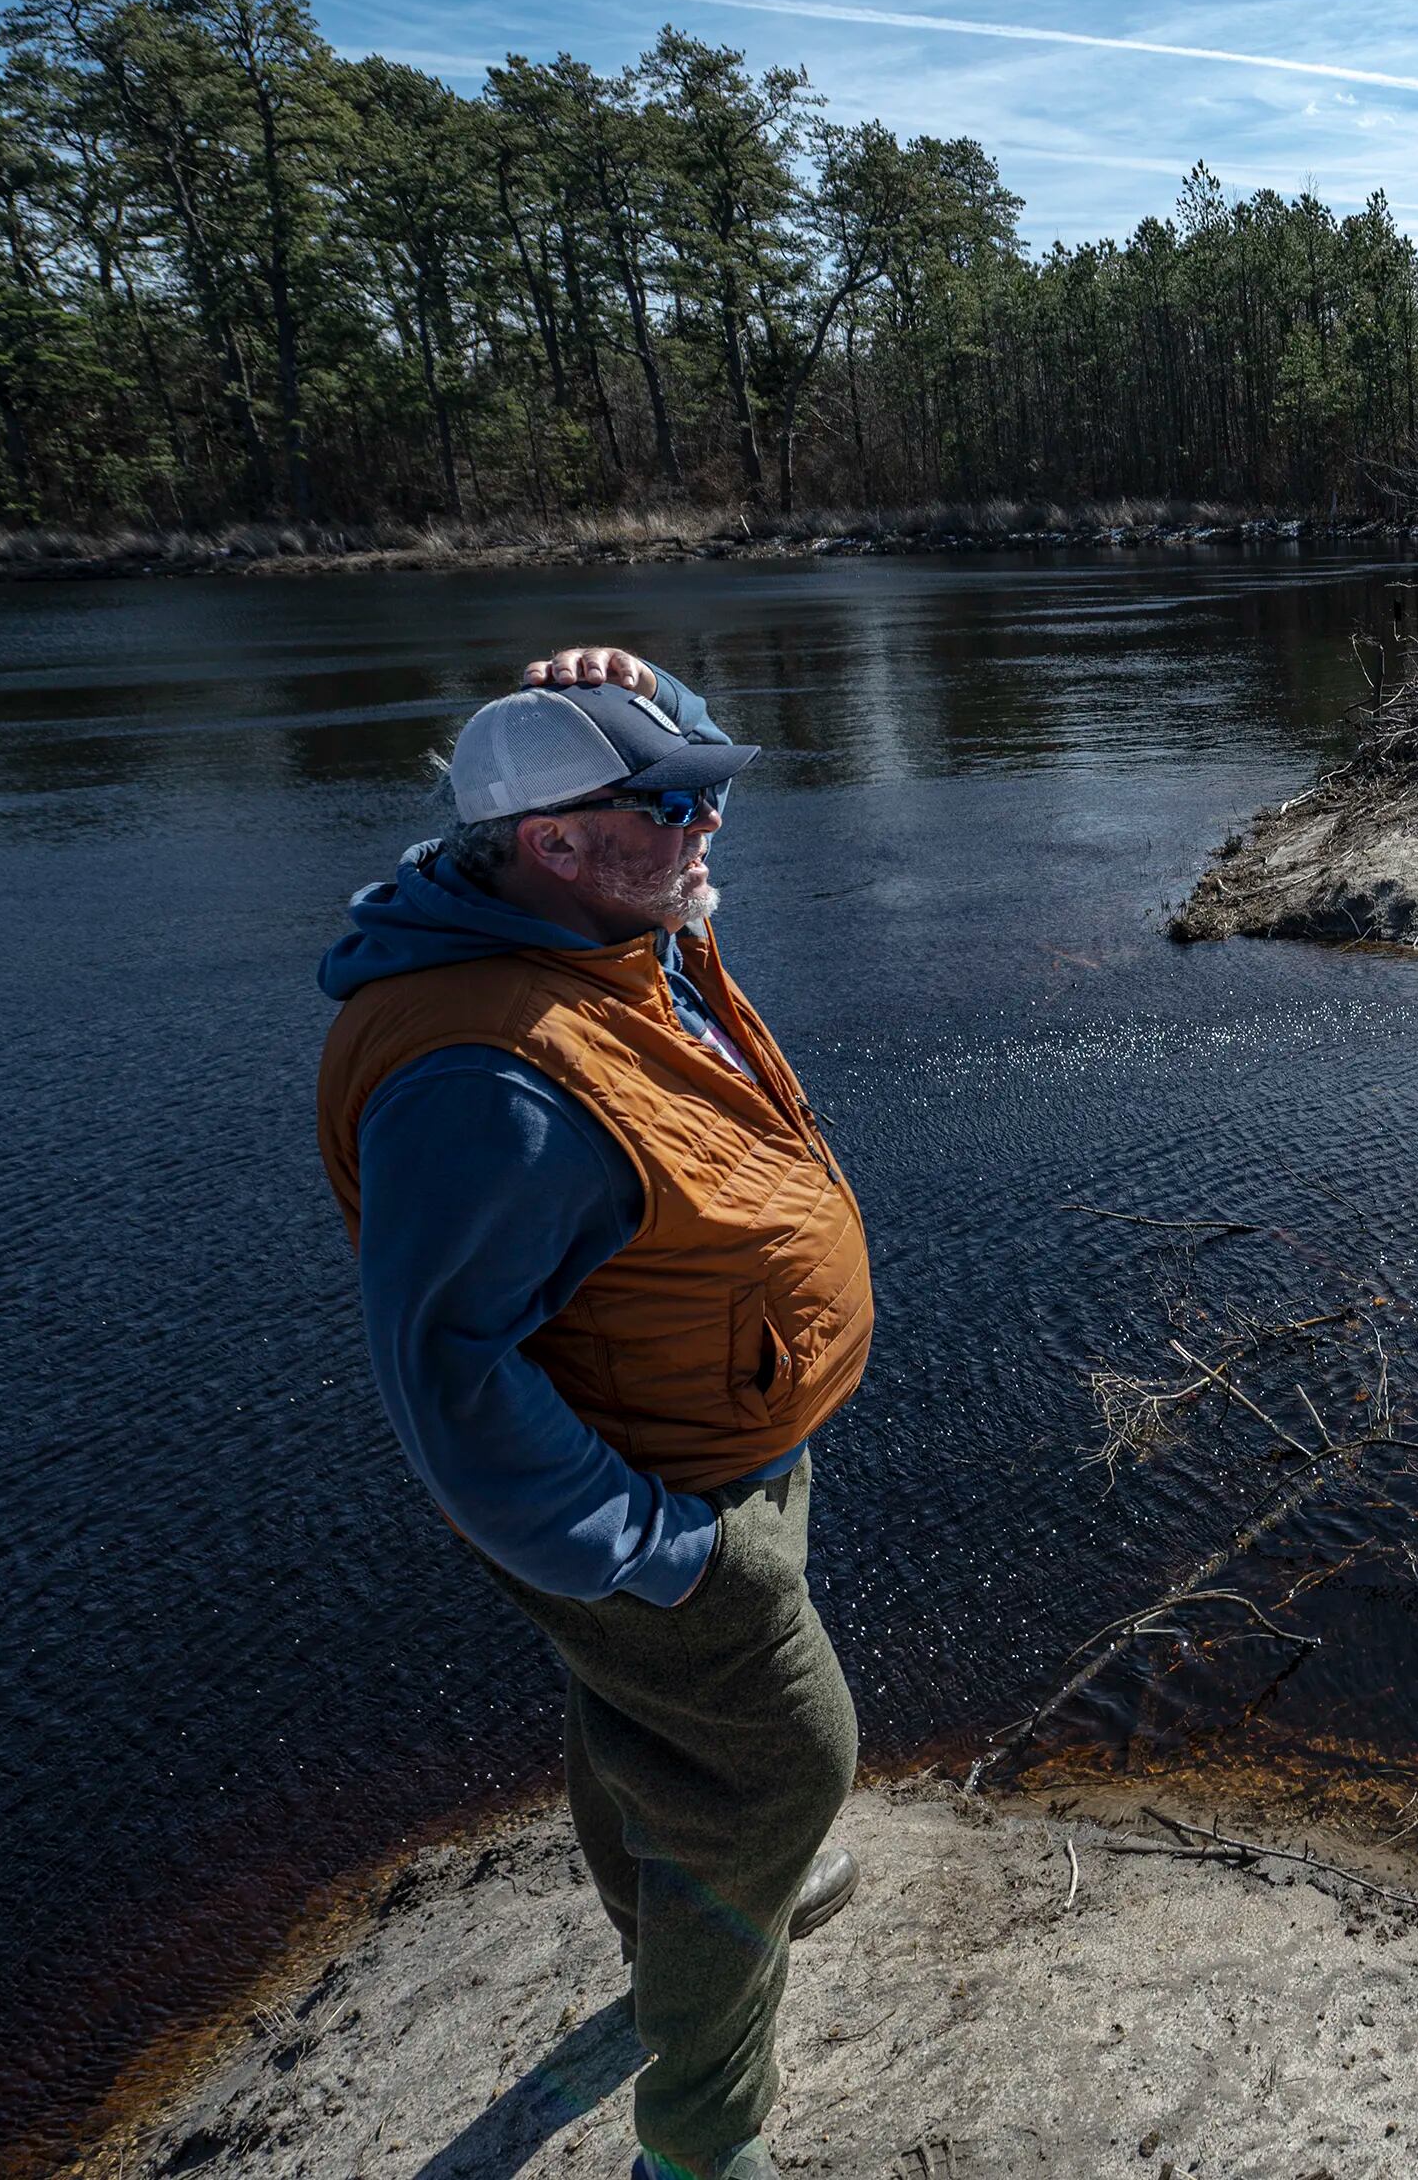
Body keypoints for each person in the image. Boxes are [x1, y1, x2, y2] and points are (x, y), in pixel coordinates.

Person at [315, 644, 875, 2180]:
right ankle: (698, 2139)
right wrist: (658, 1552)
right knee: (779, 1762)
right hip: (658, 1495)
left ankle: (676, 1924)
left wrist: (630, 686)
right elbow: (448, 1383)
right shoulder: (481, 1075)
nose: (709, 826)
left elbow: (626, 836)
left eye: (708, 792)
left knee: (648, 1716)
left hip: (723, 1433)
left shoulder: (595, 912)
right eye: (675, 801)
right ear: (553, 842)